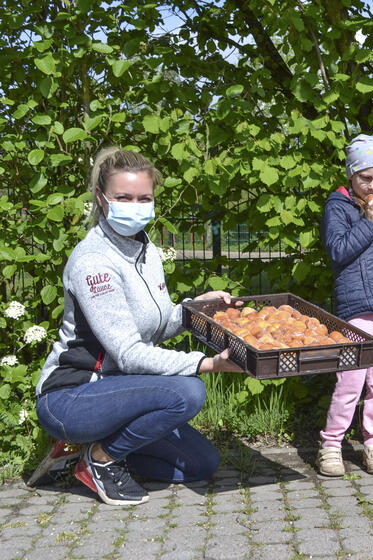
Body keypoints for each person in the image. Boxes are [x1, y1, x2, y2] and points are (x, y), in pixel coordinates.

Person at [35, 147, 242, 506]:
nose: (136, 205)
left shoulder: (143, 248)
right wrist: (206, 363)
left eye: (144, 198)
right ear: (101, 199)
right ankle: (100, 460)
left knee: (200, 464)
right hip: (72, 396)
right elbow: (129, 354)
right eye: (123, 197)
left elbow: (156, 326)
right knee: (188, 392)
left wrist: (196, 308)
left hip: (120, 391)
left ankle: (93, 450)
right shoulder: (94, 262)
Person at [317, 134, 373, 477]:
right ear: (351, 174)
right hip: (356, 307)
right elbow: (338, 250)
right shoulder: (337, 207)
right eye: (366, 177)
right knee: (351, 379)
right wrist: (368, 223)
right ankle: (331, 445)